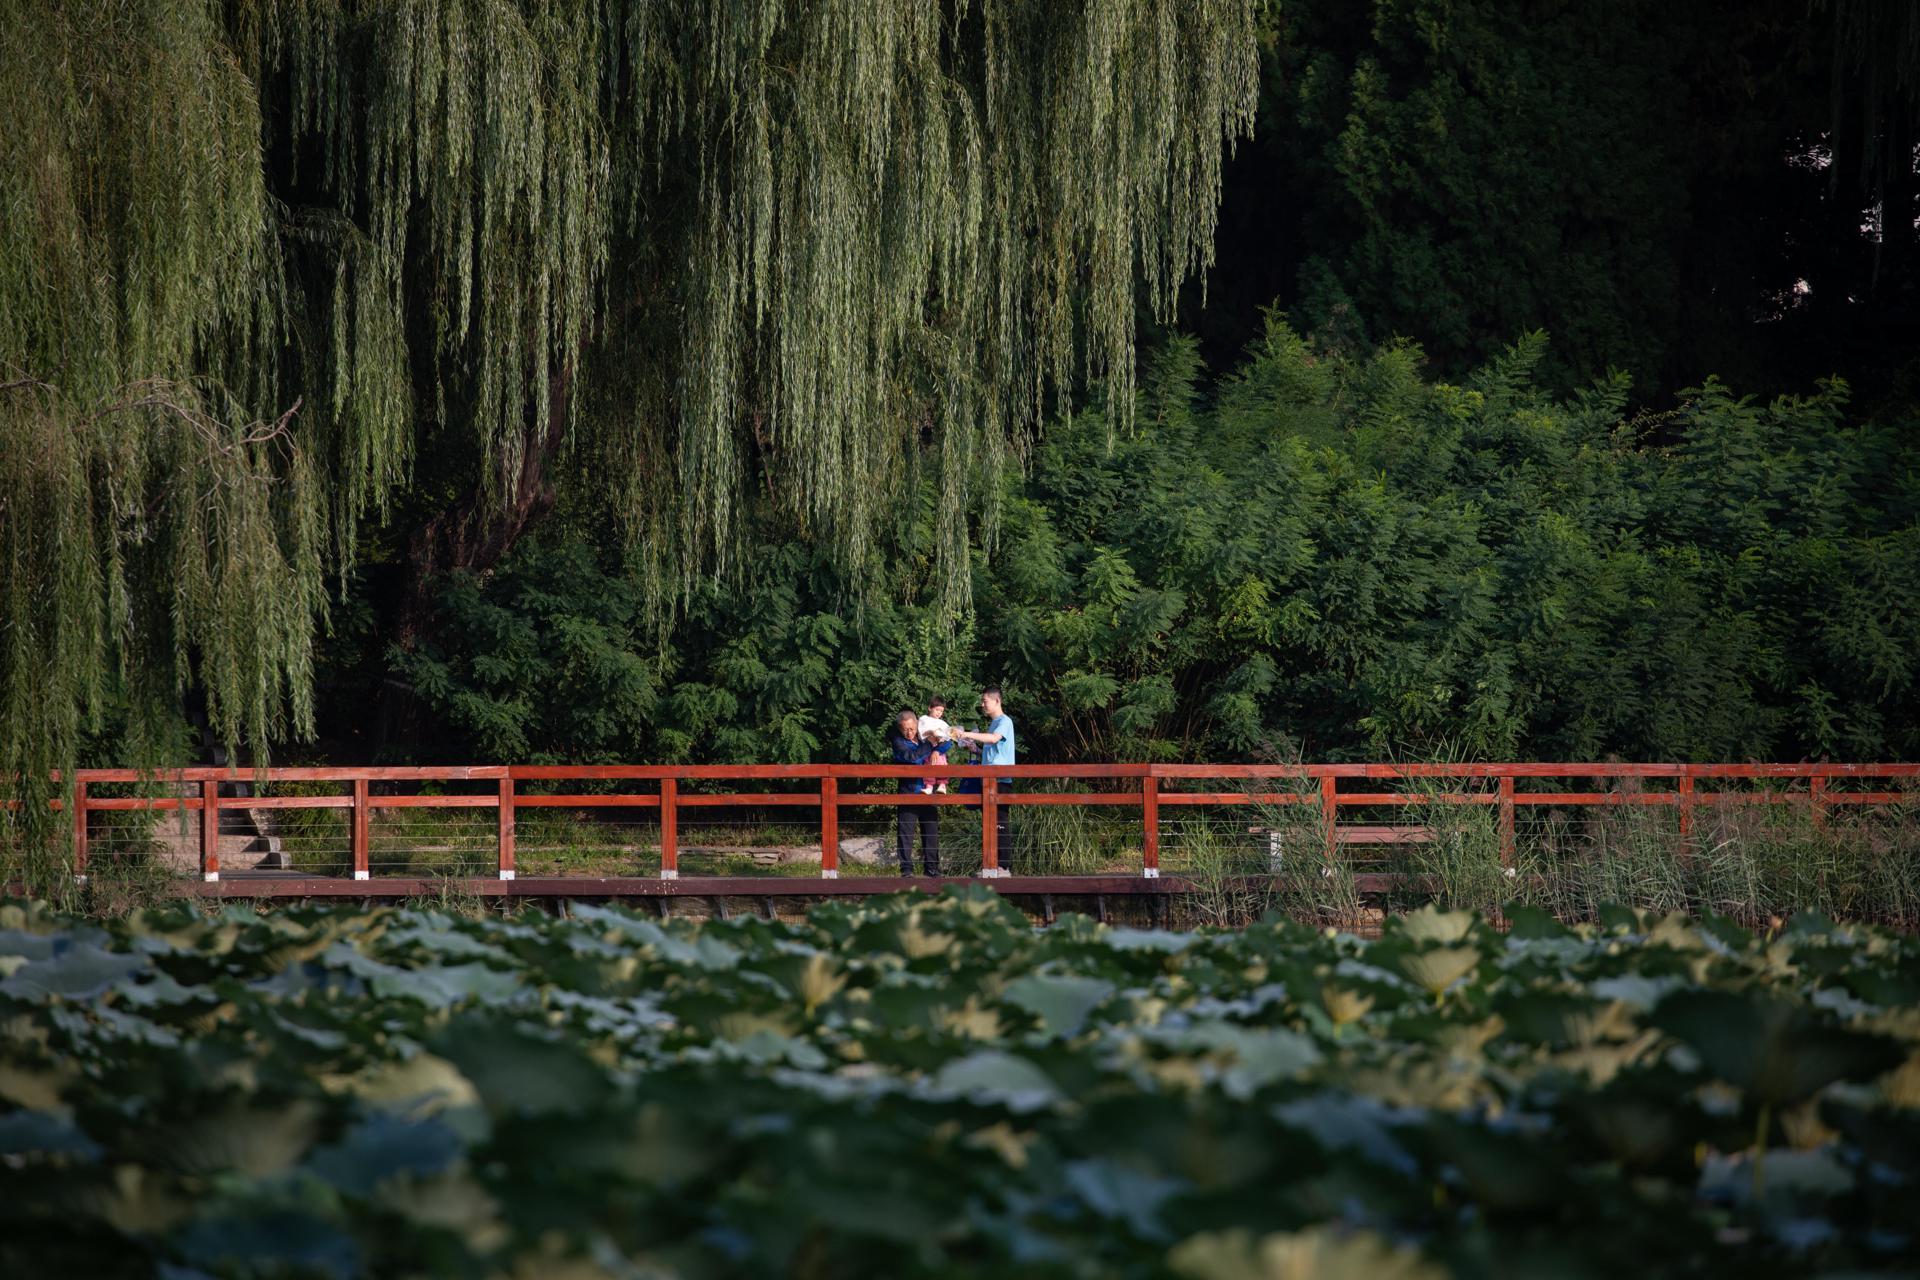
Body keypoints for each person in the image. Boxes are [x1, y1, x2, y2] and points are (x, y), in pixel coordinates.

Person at [951, 686, 1016, 872]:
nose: (982, 704)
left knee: (1000, 823)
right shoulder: (993, 723)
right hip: (988, 780)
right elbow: (993, 753)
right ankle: (991, 866)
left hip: (1000, 781)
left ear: (997, 701)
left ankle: (1004, 867)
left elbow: (994, 739)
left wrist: (967, 734)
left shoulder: (1004, 721)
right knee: (990, 824)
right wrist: (976, 750)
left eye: (985, 701)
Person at [888, 709, 940, 876]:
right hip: (908, 791)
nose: (909, 732)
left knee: (931, 831)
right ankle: (907, 870)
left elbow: (946, 743)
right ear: (900, 728)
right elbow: (912, 758)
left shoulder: (925, 735)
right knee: (906, 832)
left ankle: (932, 869)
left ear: (917, 724)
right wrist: (930, 745)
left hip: (928, 791)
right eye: (905, 729)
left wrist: (937, 749)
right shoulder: (898, 741)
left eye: (912, 728)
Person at [916, 696, 954, 794]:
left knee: (942, 765)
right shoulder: (924, 719)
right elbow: (921, 732)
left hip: (939, 748)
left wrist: (941, 738)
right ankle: (929, 786)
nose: (939, 713)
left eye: (941, 711)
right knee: (929, 766)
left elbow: (948, 736)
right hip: (928, 747)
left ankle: (942, 785)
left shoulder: (942, 723)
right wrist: (931, 733)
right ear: (930, 708)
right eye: (937, 709)